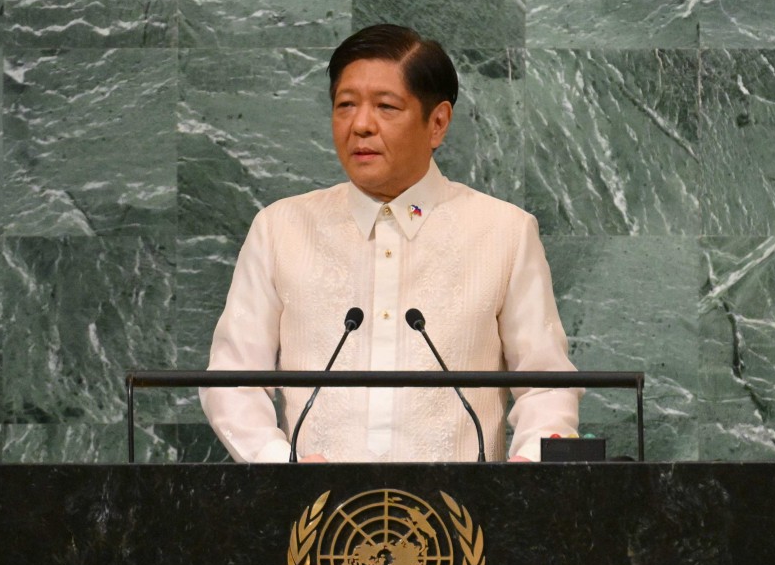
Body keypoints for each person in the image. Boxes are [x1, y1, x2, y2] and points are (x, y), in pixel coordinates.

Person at [199, 24, 582, 463]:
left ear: (437, 123)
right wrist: (278, 467)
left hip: (464, 519)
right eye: (345, 105)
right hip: (315, 519)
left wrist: (525, 475)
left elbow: (547, 384)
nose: (360, 125)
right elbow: (231, 378)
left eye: (385, 106)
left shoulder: (505, 232)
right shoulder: (280, 229)